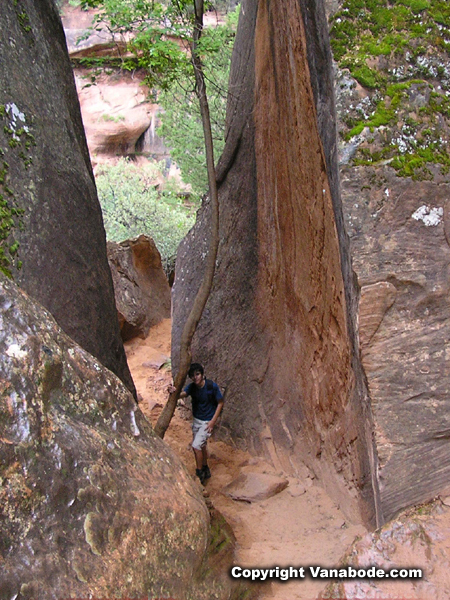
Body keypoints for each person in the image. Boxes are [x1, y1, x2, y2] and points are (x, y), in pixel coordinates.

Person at [169, 363, 223, 484]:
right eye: (193, 376)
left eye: (197, 374)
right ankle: (205, 468)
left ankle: (199, 474)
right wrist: (174, 391)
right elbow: (182, 394)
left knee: (196, 446)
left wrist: (213, 422)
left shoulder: (211, 386)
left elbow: (220, 402)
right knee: (201, 446)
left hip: (207, 422)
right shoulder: (192, 387)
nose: (195, 378)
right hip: (197, 420)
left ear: (202, 374)